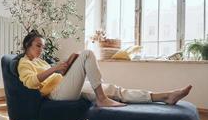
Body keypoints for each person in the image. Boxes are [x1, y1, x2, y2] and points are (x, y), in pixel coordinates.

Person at [17, 30, 192, 107]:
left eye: (43, 47)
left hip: (63, 86)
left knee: (114, 90)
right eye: (38, 46)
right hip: (56, 95)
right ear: (27, 45)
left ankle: (164, 96)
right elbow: (31, 83)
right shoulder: (24, 63)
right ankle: (101, 98)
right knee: (87, 54)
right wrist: (55, 68)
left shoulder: (41, 61)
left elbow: (56, 75)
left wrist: (66, 66)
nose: (42, 49)